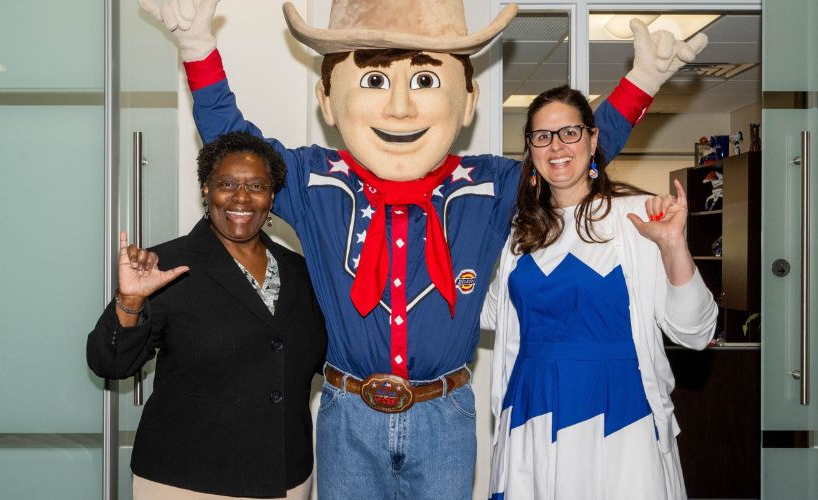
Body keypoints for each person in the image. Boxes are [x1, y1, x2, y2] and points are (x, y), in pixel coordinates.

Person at [137, 0, 706, 497]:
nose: (402, 110)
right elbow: (234, 149)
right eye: (376, 82)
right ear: (328, 99)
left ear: (467, 101)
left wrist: (643, 81)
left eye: (427, 83)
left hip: (445, 415)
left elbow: (572, 155)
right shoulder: (315, 182)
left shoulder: (489, 185)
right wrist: (197, 48)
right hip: (347, 414)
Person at [481, 85, 718, 500]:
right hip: (531, 406)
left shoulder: (637, 216)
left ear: (593, 140)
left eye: (569, 132)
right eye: (542, 136)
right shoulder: (520, 233)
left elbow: (695, 332)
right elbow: (487, 315)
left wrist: (672, 245)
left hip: (618, 410)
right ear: (531, 151)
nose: (556, 146)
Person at [86, 132, 327, 499]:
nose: (242, 197)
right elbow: (110, 363)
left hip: (285, 477)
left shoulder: (301, 272)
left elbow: (327, 359)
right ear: (205, 190)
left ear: (272, 197)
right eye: (227, 184)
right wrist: (129, 300)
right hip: (187, 479)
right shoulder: (164, 267)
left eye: (257, 185)